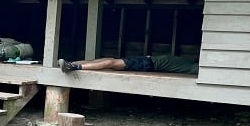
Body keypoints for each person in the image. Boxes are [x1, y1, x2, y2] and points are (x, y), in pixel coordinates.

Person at [58, 55, 199, 74]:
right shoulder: (189, 63)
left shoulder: (194, 67)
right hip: (145, 61)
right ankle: (71, 63)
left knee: (110, 63)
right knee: (106, 60)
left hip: (146, 64)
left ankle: (74, 67)